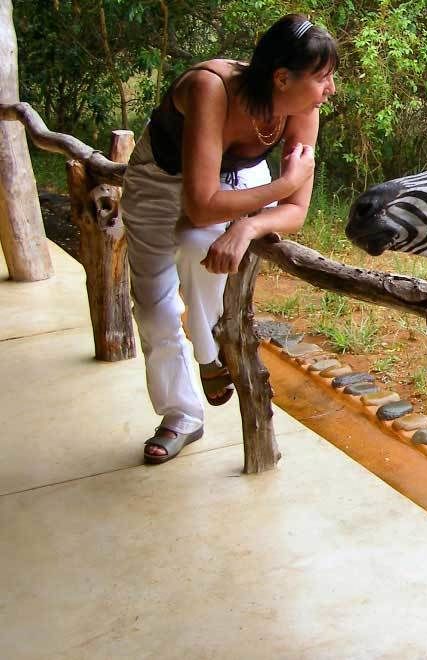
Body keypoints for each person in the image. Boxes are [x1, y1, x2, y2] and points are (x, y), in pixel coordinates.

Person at [121, 14, 337, 464]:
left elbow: (296, 211)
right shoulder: (211, 88)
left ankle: (210, 351)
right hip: (161, 180)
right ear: (282, 78)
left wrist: (248, 226)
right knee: (154, 306)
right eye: (322, 78)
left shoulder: (304, 107)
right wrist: (283, 184)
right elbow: (202, 204)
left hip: (236, 180)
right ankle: (182, 413)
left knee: (201, 248)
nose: (330, 89)